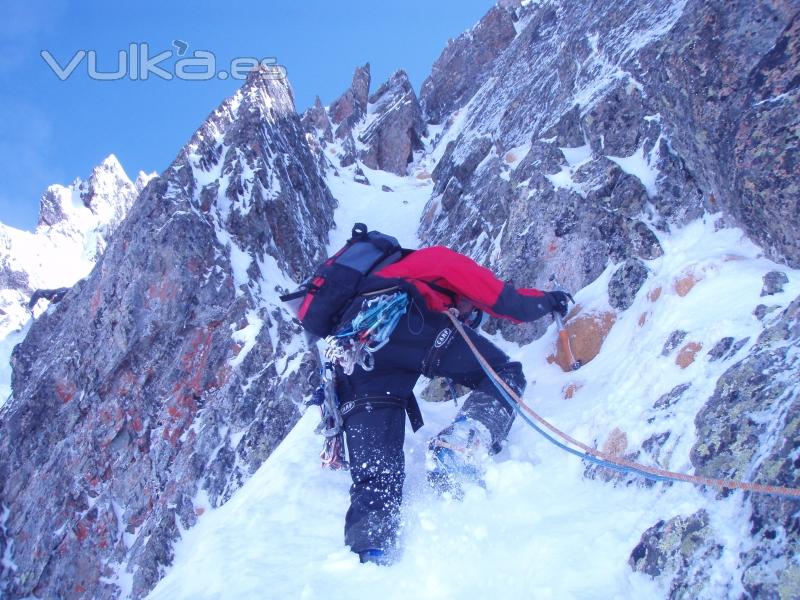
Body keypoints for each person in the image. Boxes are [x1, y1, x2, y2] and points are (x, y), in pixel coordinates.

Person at [303, 241, 571, 565]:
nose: (468, 318)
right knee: (504, 373)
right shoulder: (437, 260)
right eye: (472, 313)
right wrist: (551, 301)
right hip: (405, 325)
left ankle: (370, 554)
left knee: (376, 475)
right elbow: (508, 301)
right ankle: (460, 444)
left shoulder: (376, 282)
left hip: (352, 356)